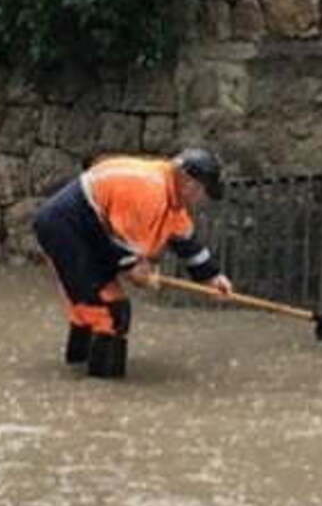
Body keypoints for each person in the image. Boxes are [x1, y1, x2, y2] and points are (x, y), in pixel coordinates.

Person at [31, 147, 235, 379]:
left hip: (89, 233)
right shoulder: (150, 191)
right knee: (109, 312)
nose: (202, 200)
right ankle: (101, 393)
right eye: (203, 192)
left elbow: (186, 243)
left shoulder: (170, 195)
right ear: (189, 181)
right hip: (67, 230)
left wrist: (212, 277)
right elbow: (126, 254)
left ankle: (78, 372)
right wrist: (139, 271)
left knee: (95, 309)